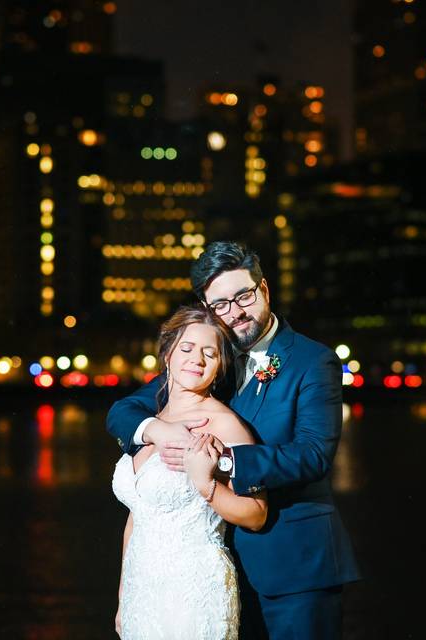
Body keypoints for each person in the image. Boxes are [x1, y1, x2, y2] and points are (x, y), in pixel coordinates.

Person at [108, 241, 360, 639]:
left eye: (243, 296)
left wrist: (223, 462)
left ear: (264, 289)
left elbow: (314, 454)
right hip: (215, 573)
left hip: (294, 565)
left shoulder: (313, 361)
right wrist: (155, 430)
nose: (234, 312)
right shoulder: (208, 360)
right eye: (220, 304)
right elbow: (123, 411)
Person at [112, 305, 268, 639]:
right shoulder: (150, 421)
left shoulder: (225, 424)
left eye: (209, 353)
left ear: (219, 366)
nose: (196, 359)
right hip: (142, 592)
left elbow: (257, 514)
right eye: (186, 348)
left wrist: (206, 484)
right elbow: (139, 513)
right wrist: (124, 594)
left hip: (194, 589)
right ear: (167, 354)